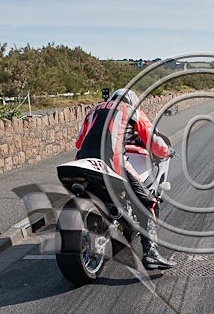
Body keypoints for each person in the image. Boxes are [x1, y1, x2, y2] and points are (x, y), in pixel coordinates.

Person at [74, 88, 177, 270]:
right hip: (114, 162)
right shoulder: (132, 111)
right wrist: (168, 152)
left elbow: (79, 141)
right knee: (147, 202)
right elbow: (153, 141)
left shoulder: (94, 110)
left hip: (84, 161)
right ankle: (151, 252)